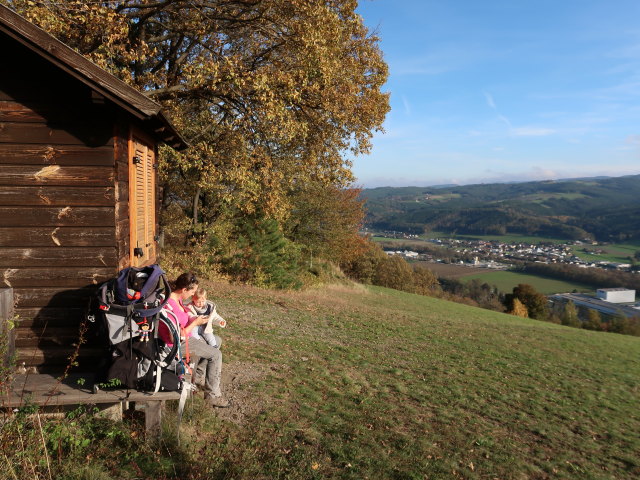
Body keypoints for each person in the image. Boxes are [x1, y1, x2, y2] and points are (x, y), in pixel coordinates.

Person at [159, 272, 229, 408]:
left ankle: (198, 376)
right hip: (177, 344)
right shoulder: (169, 305)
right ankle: (212, 396)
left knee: (217, 341)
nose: (193, 295)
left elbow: (182, 318)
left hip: (187, 336)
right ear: (184, 289)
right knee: (216, 354)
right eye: (192, 291)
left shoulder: (177, 298)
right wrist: (195, 323)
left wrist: (194, 319)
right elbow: (176, 336)